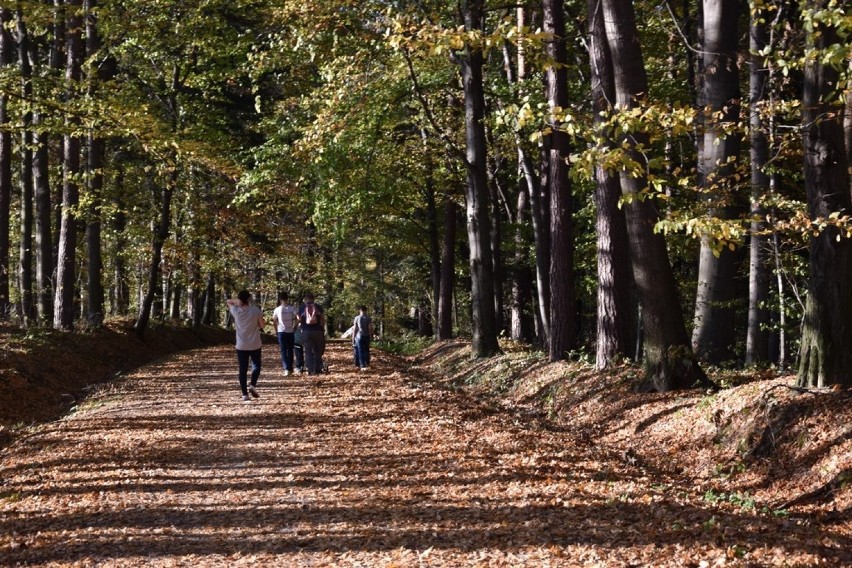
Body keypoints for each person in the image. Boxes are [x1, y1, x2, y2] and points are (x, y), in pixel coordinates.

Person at [225, 290, 265, 402]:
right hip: (255, 343)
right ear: (249, 299)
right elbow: (262, 325)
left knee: (242, 369)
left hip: (241, 345)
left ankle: (244, 395)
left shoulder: (236, 311)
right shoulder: (255, 311)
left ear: (239, 299)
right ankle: (252, 385)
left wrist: (237, 302)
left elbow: (228, 301)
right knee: (256, 365)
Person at [297, 292, 326, 375]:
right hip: (317, 331)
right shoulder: (318, 307)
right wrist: (322, 328)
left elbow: (299, 319)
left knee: (308, 351)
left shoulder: (302, 307)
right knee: (318, 350)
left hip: (306, 331)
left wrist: (296, 326)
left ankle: (310, 370)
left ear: (306, 299)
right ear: (313, 299)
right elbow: (322, 319)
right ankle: (318, 368)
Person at [272, 292, 298, 376]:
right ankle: (290, 368)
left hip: (281, 331)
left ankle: (286, 369)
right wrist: (295, 326)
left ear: (280, 299)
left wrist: (276, 330)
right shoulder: (292, 308)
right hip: (290, 331)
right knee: (290, 350)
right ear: (287, 298)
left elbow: (274, 321)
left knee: (283, 350)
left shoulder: (277, 309)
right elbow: (299, 318)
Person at [352, 305, 373, 371]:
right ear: (366, 310)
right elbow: (370, 328)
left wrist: (353, 337)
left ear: (360, 310)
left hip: (359, 336)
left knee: (360, 350)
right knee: (366, 350)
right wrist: (371, 335)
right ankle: (367, 363)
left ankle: (362, 365)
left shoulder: (357, 318)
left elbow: (355, 329)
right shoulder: (368, 318)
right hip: (366, 336)